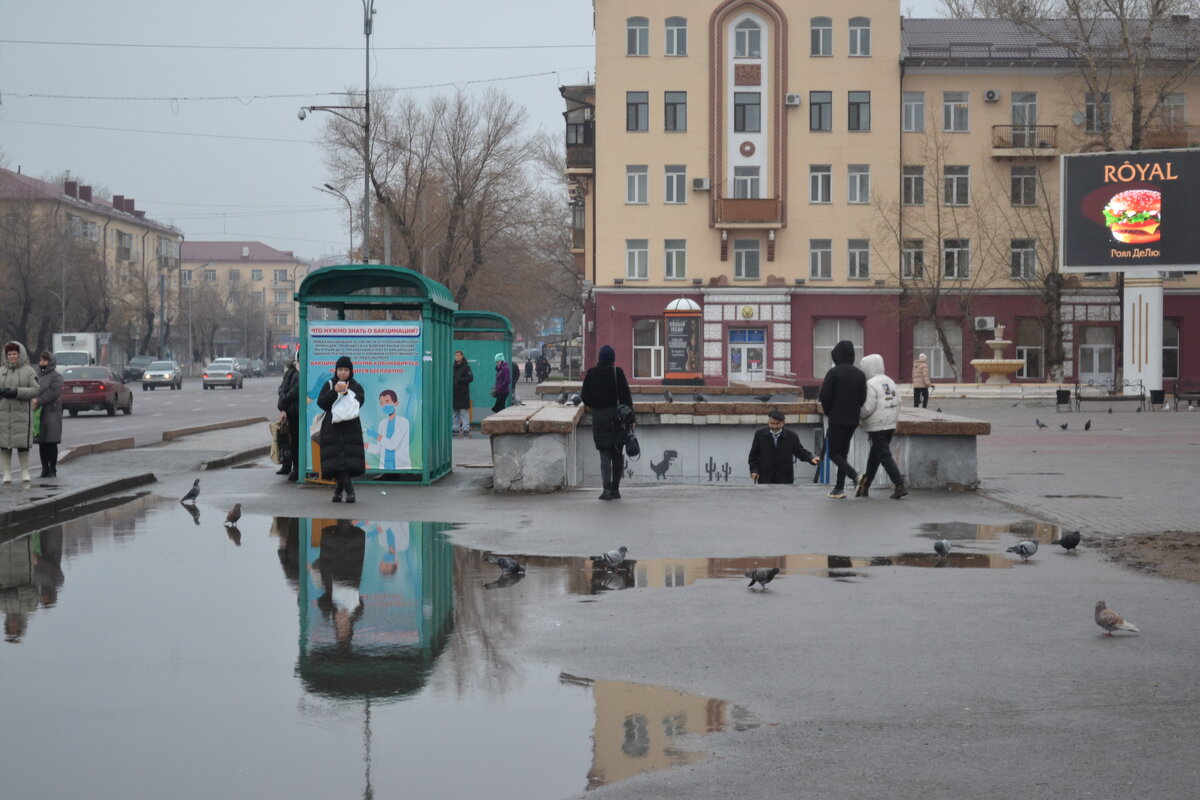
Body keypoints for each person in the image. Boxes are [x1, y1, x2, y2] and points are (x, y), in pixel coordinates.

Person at [580, 344, 633, 500]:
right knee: (617, 454)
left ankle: (606, 490)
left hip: (599, 419)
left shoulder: (591, 373)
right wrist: (632, 419)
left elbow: (585, 397)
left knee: (604, 455)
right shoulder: (617, 373)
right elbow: (626, 397)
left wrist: (596, 406)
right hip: (618, 419)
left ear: (600, 358)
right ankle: (616, 489)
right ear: (612, 358)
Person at [817, 339, 866, 500]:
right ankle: (839, 488)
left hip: (837, 419)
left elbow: (824, 396)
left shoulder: (834, 373)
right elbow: (863, 397)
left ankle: (855, 476)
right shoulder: (859, 374)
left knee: (834, 454)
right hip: (852, 420)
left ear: (836, 355)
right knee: (842, 455)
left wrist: (830, 412)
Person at [856, 354, 908, 500]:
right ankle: (865, 486)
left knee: (884, 456)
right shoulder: (890, 381)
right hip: (890, 423)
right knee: (875, 455)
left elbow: (867, 408)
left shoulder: (871, 384)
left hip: (877, 424)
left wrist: (858, 413)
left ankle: (899, 485)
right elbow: (900, 400)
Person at [316, 355, 366, 503]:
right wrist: (334, 393)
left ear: (350, 371)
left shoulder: (355, 386)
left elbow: (360, 401)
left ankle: (338, 491)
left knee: (345, 459)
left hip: (351, 428)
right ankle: (349, 490)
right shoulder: (330, 384)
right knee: (338, 458)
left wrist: (348, 394)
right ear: (336, 370)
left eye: (346, 370)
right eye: (340, 369)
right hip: (332, 428)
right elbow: (322, 403)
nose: (343, 373)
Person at [0, 342, 40, 484]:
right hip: (3, 415)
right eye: (9, 354)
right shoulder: (1, 371)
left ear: (20, 354)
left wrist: (17, 392)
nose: (12, 357)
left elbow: (35, 390)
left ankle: (24, 471)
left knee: (22, 446)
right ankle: (6, 473)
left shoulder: (28, 371)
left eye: (14, 354)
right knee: (4, 446)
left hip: (21, 415)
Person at [748, 409, 820, 484]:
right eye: (772, 423)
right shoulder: (759, 435)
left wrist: (811, 458)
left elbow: (800, 452)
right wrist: (754, 471)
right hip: (765, 478)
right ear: (768, 422)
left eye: (777, 424)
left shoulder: (792, 436)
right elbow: (753, 456)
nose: (775, 426)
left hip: (785, 479)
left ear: (783, 423)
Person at [33, 352, 63, 479]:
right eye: (41, 360)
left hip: (52, 411)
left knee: (51, 441)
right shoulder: (36, 375)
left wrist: (38, 400)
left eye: (45, 360)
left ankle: (53, 469)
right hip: (38, 412)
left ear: (51, 361)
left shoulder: (57, 376)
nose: (42, 362)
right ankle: (44, 469)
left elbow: (53, 393)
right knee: (42, 442)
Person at [368, 389, 411, 469]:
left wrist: (375, 435)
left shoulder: (403, 422)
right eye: (382, 403)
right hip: (385, 464)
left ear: (396, 403)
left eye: (387, 402)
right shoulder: (382, 423)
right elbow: (379, 449)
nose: (384, 405)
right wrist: (364, 445)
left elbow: (392, 445)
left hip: (399, 464)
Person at [276, 358, 300, 480]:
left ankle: (296, 468)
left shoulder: (305, 373)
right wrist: (282, 408)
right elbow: (282, 389)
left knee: (296, 441)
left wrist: (283, 401)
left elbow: (295, 391)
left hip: (298, 412)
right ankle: (287, 465)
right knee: (289, 440)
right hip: (291, 412)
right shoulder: (291, 372)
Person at [452, 350, 474, 438]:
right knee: (455, 412)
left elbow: (470, 378)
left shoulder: (466, 367)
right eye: (456, 355)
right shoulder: (453, 367)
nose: (457, 357)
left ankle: (466, 428)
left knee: (464, 412)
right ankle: (455, 428)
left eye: (458, 355)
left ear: (462, 356)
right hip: (455, 392)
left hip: (463, 392)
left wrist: (459, 381)